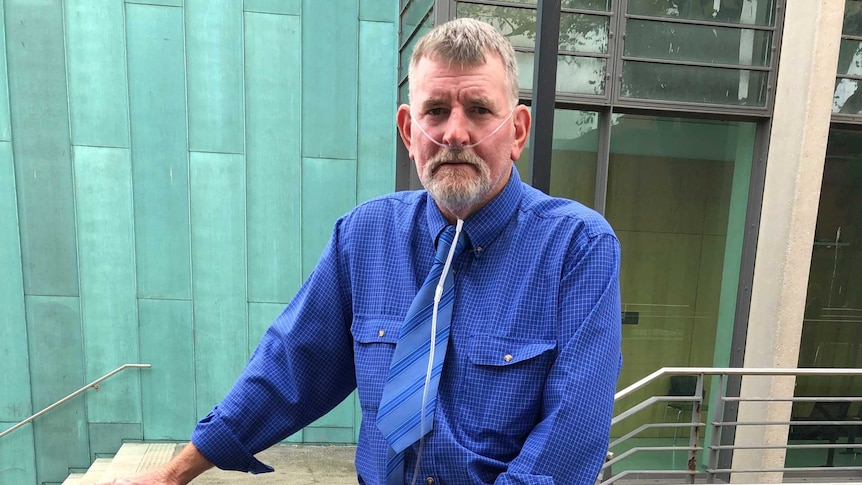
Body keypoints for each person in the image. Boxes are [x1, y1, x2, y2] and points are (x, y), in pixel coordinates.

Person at [104, 17, 622, 485]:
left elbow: (568, 438)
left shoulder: (577, 248)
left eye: (480, 110)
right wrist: (175, 473)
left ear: (517, 131)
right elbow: (291, 365)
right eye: (435, 111)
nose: (454, 133)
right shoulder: (364, 236)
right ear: (407, 131)